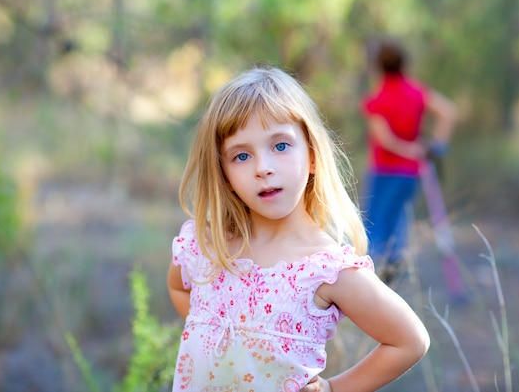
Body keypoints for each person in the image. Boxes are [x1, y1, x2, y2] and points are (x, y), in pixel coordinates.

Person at [167, 66, 430, 392]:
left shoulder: (325, 269)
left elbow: (409, 341)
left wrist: (333, 389)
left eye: (280, 146)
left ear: (313, 154)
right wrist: (211, 337)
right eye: (242, 155)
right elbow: (180, 288)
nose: (263, 168)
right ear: (224, 174)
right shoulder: (208, 245)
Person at [360, 36, 456, 284]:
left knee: (376, 222)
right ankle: (394, 270)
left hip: (385, 171)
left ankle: (372, 278)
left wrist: (410, 150)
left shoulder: (377, 99)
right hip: (411, 174)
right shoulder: (416, 92)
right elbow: (448, 111)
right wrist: (436, 145)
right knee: (398, 217)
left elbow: (384, 140)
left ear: (377, 65)